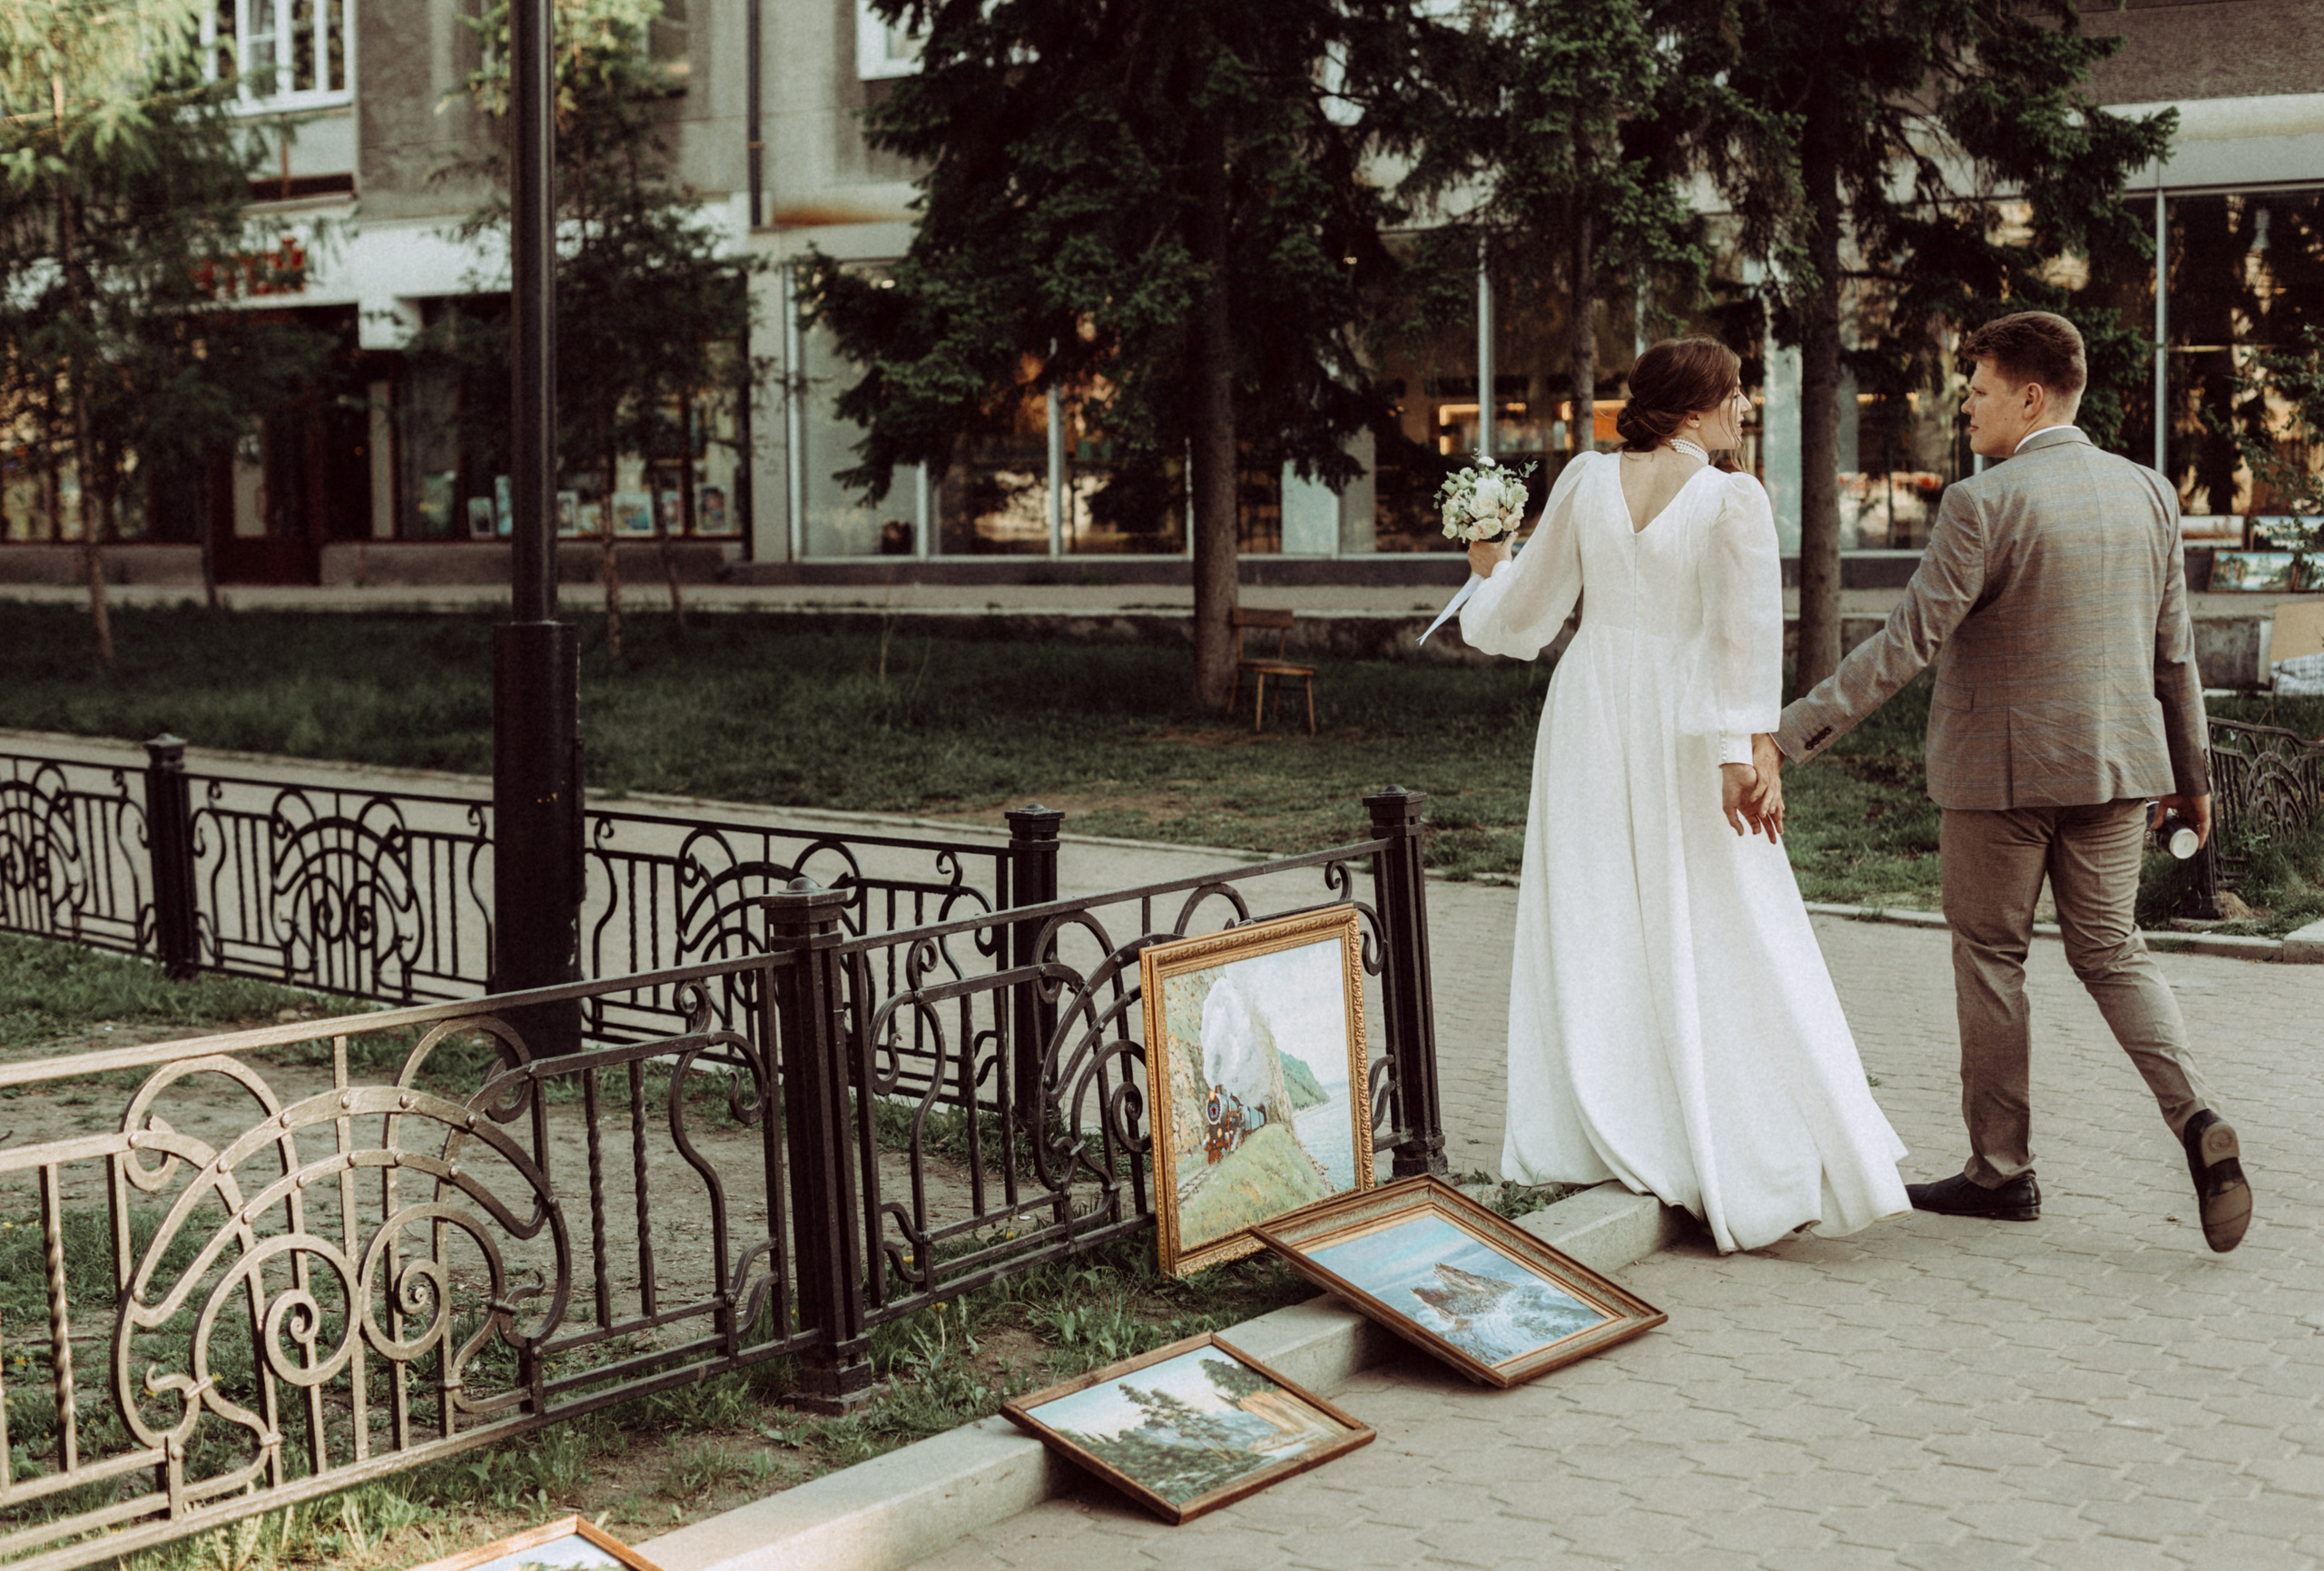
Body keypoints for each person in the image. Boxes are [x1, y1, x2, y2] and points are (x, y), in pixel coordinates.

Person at [1758, 309, 2250, 1253]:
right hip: (2119, 771)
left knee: (1992, 959)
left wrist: (1790, 732)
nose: (1966, 408)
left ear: (2030, 396)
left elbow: (1907, 643)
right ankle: (2194, 1117)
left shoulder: (1983, 502)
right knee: (2112, 951)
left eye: (1978, 391)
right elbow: (2174, 655)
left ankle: (2000, 1171)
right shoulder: (2147, 493)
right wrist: (2195, 781)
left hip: (1999, 780)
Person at [1461, 337, 1909, 1254]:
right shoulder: (1729, 498)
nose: (1744, 407)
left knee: (1595, 909)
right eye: (1736, 393)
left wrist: (1484, 578)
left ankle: (1609, 1122)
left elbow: (1528, 613)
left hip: (1590, 704)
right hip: (1681, 716)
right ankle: (1717, 1133)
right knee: (1715, 910)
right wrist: (1740, 753)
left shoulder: (1586, 480)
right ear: (1694, 406)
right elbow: (1742, 637)